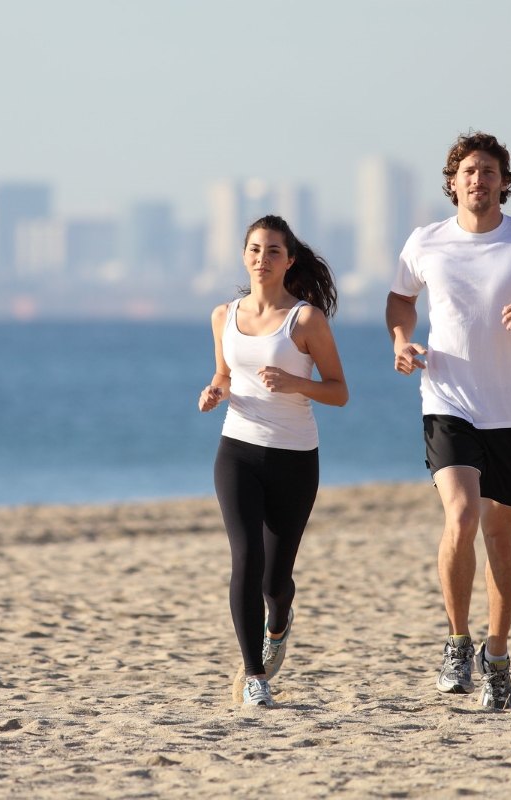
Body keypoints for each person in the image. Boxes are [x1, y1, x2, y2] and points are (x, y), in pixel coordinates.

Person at [386, 131, 511, 710]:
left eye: (489, 171)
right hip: (447, 400)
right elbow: (400, 299)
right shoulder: (426, 242)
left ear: (506, 180)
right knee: (460, 515)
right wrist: (403, 340)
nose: (478, 180)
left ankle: (496, 655)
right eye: (469, 171)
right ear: (452, 181)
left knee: (503, 537)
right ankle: (457, 641)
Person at [197, 215, 348, 708]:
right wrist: (215, 391)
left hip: (294, 458)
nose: (263, 258)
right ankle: (254, 674)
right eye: (256, 249)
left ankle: (278, 624)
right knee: (245, 558)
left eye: (274, 251)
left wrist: (295, 383)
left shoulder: (305, 320)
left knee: (274, 581)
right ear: (245, 255)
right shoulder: (224, 316)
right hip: (236, 451)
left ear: (290, 260)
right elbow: (224, 373)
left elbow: (339, 391)